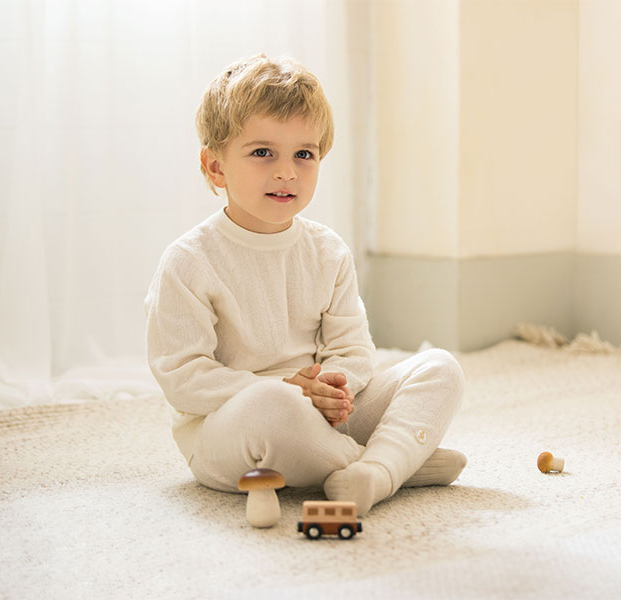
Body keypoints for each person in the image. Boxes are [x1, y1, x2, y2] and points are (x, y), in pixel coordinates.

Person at [144, 54, 466, 515]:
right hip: (233, 432)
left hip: (324, 415)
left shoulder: (328, 251)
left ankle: (370, 471)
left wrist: (333, 390)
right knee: (272, 403)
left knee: (440, 367)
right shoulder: (189, 261)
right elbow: (183, 378)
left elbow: (353, 350)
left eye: (304, 154)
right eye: (262, 153)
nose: (287, 172)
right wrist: (292, 390)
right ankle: (390, 465)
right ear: (215, 167)